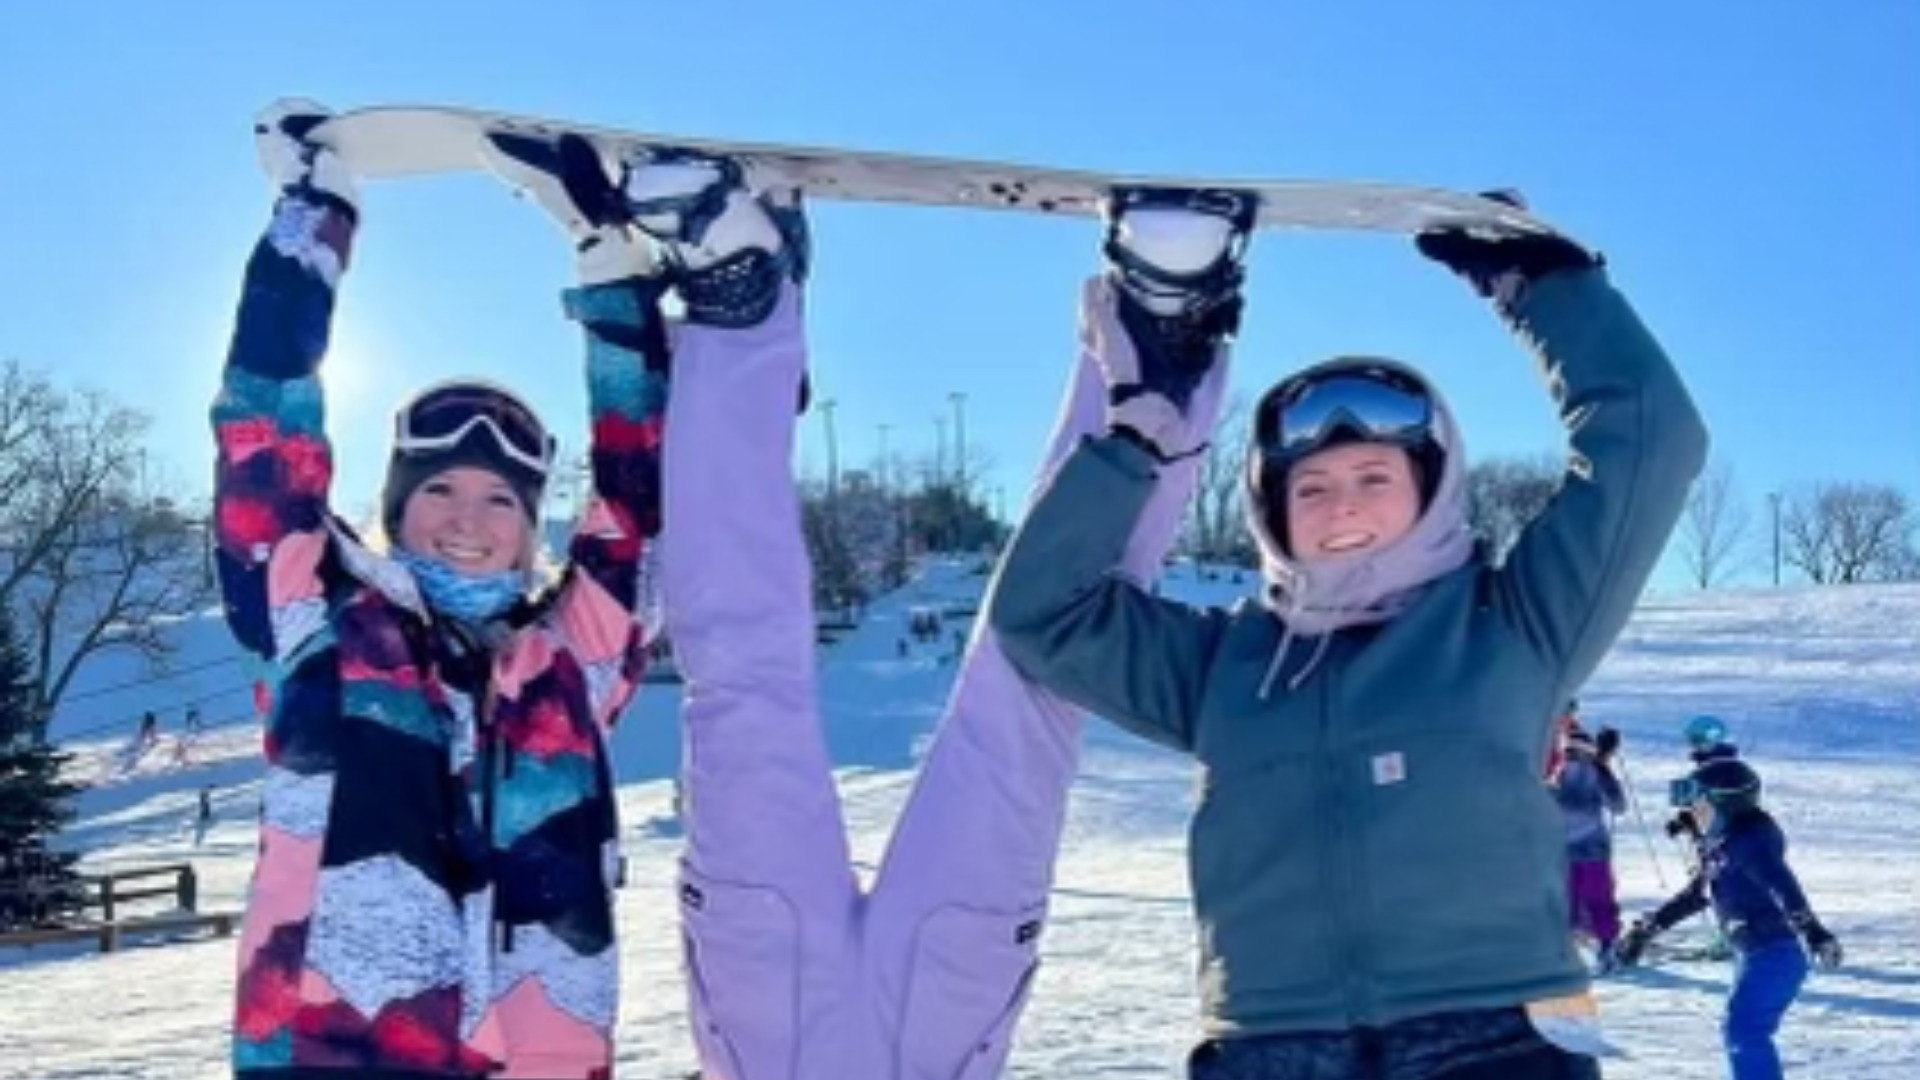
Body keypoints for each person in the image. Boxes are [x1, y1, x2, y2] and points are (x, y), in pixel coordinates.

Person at [479, 138, 1232, 1078]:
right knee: (1032, 687)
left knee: (740, 672)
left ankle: (737, 304)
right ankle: (1162, 332)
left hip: (766, 1026)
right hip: (933, 1034)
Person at [988, 196, 1709, 1079]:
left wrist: (1552, 291)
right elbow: (1041, 613)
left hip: (1501, 1036)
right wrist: (1138, 441)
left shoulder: (1517, 623)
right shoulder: (1224, 665)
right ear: (1271, 511)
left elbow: (1652, 439)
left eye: (1374, 476)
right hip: (1270, 1043)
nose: (1345, 508)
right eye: (1313, 488)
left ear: (1433, 484)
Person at [213, 101, 664, 1080]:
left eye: (502, 496)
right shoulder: (318, 615)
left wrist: (605, 257)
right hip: (332, 1053)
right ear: (398, 505)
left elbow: (641, 491)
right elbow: (264, 420)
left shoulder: (572, 659)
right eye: (441, 491)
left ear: (531, 519)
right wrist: (314, 214)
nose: (468, 518)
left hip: (540, 1051)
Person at [1613, 759, 1842, 1080]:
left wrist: (1812, 929)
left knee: (1745, 1030)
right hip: (1754, 953)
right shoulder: (1723, 847)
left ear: (1726, 805)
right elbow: (1694, 896)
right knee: (1741, 1029)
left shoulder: (1752, 844)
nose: (1693, 814)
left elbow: (1781, 885)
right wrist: (1647, 930)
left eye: (1699, 806)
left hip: (1777, 952)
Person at [1550, 714, 1627, 970]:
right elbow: (1618, 805)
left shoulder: (1555, 776)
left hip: (1565, 852)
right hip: (1592, 851)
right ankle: (1605, 948)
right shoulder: (1596, 773)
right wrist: (1604, 765)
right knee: (1599, 901)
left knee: (1567, 904)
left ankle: (1570, 952)